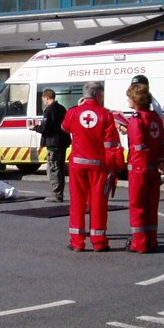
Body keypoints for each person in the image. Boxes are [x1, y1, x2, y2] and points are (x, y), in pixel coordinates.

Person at [61, 81, 124, 252]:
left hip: (77, 166)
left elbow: (65, 127)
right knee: (98, 204)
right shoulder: (106, 115)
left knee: (77, 203)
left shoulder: (73, 112)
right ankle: (99, 242)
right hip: (99, 167)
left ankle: (77, 243)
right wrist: (115, 167)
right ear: (98, 95)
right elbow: (111, 145)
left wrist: (77, 107)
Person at [123, 83, 164, 253]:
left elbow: (138, 146)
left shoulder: (136, 120)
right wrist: (161, 161)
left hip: (139, 169)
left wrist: (126, 128)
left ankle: (139, 243)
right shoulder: (155, 117)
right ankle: (151, 240)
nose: (127, 100)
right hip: (153, 170)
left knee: (138, 206)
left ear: (135, 100)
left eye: (129, 97)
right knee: (151, 207)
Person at [34, 88, 69, 201]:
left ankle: (56, 195)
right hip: (62, 142)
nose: (43, 101)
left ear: (47, 98)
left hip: (53, 143)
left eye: (43, 99)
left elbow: (46, 128)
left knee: (53, 168)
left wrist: (35, 128)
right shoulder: (62, 108)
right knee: (60, 168)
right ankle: (59, 193)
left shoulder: (49, 110)